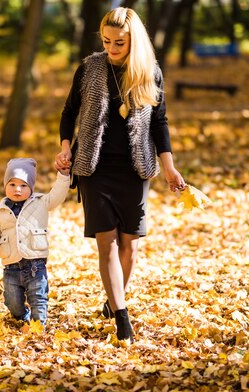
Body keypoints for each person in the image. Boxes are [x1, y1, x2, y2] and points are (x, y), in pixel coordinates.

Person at [55, 7, 185, 343]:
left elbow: (159, 123)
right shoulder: (89, 68)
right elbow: (69, 111)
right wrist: (66, 147)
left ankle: (114, 301)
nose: (111, 48)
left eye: (119, 43)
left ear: (133, 41)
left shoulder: (149, 72)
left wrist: (169, 166)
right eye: (106, 41)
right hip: (94, 168)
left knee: (130, 247)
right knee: (108, 243)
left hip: (134, 168)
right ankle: (122, 316)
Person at [0, 158, 70, 326]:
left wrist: (63, 174)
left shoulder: (41, 202)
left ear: (31, 187)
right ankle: (22, 315)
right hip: (11, 265)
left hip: (35, 264)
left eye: (23, 185)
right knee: (12, 301)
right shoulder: (0, 210)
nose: (17, 189)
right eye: (12, 184)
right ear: (5, 185)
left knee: (38, 297)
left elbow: (58, 194)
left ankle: (38, 325)